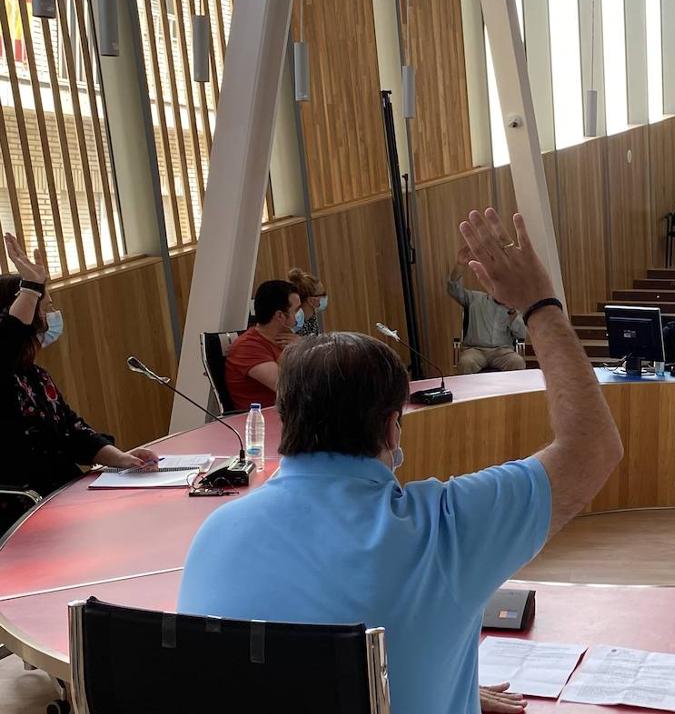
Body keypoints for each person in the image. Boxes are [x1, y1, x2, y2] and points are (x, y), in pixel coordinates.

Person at [179, 209, 625, 714]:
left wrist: (434, 676)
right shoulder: (444, 531)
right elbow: (594, 449)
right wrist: (541, 305)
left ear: (289, 414)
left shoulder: (215, 536)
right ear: (393, 425)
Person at [0, 235, 157, 531]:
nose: (48, 316)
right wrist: (31, 287)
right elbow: (7, 338)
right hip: (24, 507)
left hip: (62, 493)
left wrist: (119, 458)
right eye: (42, 307)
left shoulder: (36, 376)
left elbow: (72, 431)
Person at [449, 246, 527, 374]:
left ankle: (510, 394)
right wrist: (459, 265)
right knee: (466, 362)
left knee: (517, 362)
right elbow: (453, 289)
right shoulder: (475, 298)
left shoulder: (513, 305)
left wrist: (512, 312)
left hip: (503, 352)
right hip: (476, 350)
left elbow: (521, 335)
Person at [226, 280, 303, 409]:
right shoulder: (247, 347)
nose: (300, 315)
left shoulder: (290, 339)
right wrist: (301, 352)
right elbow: (289, 388)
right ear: (280, 316)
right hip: (265, 422)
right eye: (296, 310)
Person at [288, 268, 328, 337]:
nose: (325, 297)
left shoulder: (311, 316)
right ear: (311, 300)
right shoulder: (296, 322)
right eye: (323, 294)